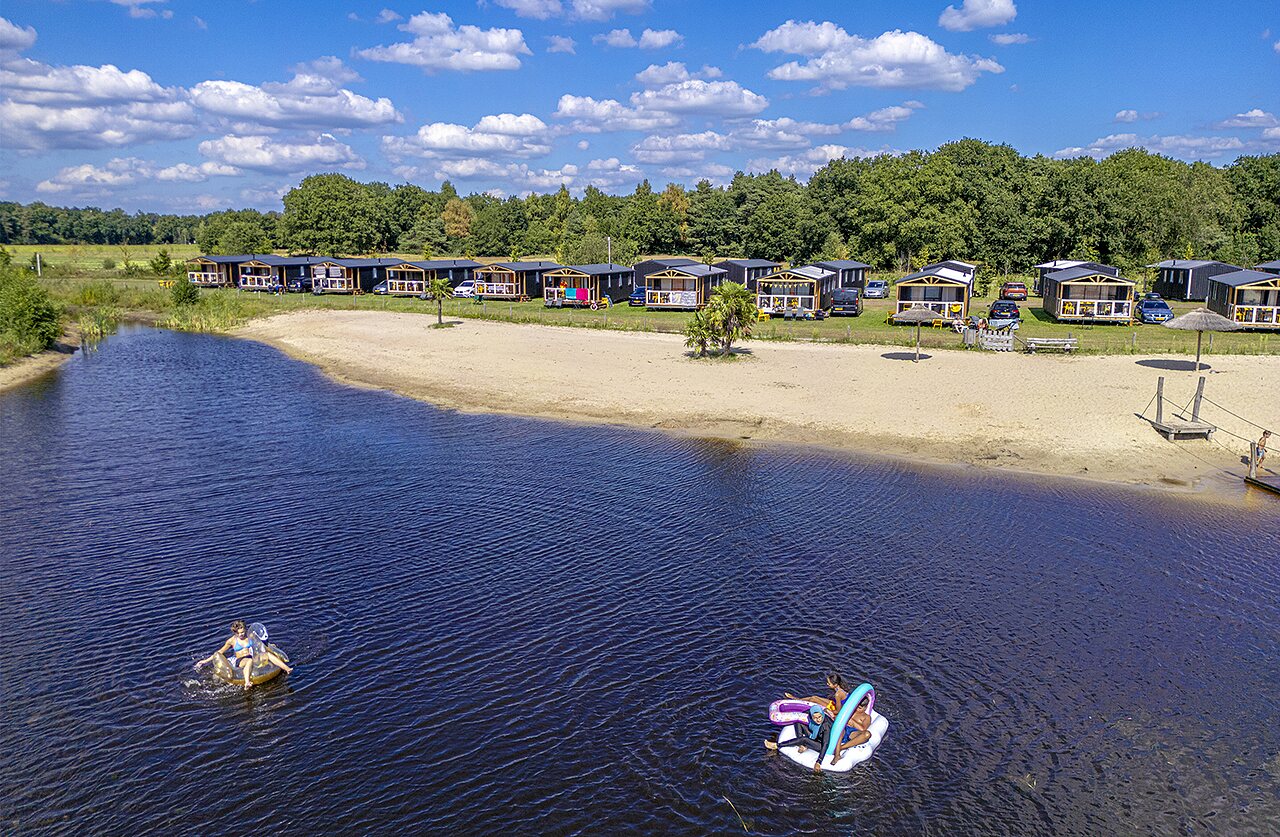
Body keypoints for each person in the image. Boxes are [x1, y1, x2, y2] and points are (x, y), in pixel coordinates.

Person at [195, 620, 292, 690]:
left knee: (267, 655)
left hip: (252, 656)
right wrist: (205, 661)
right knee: (248, 661)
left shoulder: (251, 636)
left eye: (243, 632)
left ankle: (287, 669)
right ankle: (247, 683)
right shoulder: (231, 641)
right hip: (240, 660)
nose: (242, 634)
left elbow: (261, 646)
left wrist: (271, 649)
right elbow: (220, 652)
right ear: (235, 632)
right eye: (239, 633)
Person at [764, 704, 833, 772]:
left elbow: (825, 744)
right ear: (811, 716)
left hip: (820, 745)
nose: (818, 720)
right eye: (815, 718)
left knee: (804, 739)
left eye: (819, 717)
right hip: (815, 736)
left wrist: (819, 762)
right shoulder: (811, 715)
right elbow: (805, 712)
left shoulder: (825, 726)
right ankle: (802, 745)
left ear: (822, 715)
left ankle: (777, 745)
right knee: (798, 723)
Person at [785, 672, 851, 720]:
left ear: (835, 684)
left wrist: (825, 710)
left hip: (837, 708)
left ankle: (796, 699)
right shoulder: (841, 689)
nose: (827, 684)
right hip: (835, 703)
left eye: (829, 683)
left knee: (813, 699)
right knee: (814, 697)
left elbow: (838, 711)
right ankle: (798, 699)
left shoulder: (838, 694)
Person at [834, 693, 873, 758]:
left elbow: (863, 729)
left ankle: (841, 748)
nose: (857, 709)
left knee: (867, 734)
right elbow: (838, 715)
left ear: (865, 708)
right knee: (841, 729)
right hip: (842, 728)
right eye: (857, 706)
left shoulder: (866, 717)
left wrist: (852, 722)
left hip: (852, 732)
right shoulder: (849, 710)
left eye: (860, 708)